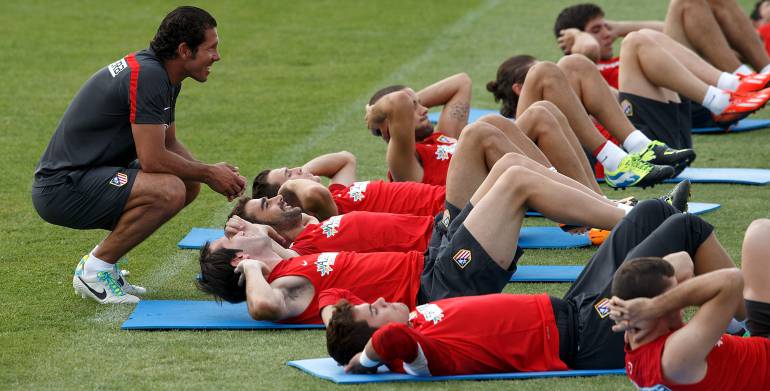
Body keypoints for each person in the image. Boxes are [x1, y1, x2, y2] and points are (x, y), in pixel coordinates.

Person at [323, 193, 753, 376]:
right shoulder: (421, 355)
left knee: (653, 213)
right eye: (374, 310)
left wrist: (357, 328)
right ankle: (745, 328)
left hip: (572, 307)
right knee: (688, 228)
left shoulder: (420, 321)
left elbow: (376, 319)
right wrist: (364, 360)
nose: (380, 300)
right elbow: (393, 340)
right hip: (587, 337)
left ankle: (736, 322)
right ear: (378, 340)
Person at [197, 151, 641, 324]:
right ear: (240, 262)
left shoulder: (295, 256)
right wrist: (255, 267)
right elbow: (264, 306)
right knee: (515, 184)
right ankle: (632, 220)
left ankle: (624, 215)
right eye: (233, 240)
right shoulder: (282, 285)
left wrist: (254, 237)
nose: (240, 230)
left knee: (510, 167)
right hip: (441, 282)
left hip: (437, 255)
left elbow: (334, 171)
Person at [31, 6, 246, 304]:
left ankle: (104, 264)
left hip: (89, 174)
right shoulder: (149, 76)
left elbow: (168, 142)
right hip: (62, 186)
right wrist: (210, 172)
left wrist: (206, 172)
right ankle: (94, 271)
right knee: (169, 189)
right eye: (212, 48)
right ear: (185, 50)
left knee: (186, 184)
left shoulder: (162, 74)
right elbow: (153, 159)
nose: (217, 56)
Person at [607, 219, 770, 390]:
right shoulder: (674, 357)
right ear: (653, 313)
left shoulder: (635, 335)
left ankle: (732, 322)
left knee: (759, 232)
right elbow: (732, 280)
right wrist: (655, 305)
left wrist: (654, 303)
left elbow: (683, 260)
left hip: (759, 341)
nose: (680, 304)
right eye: (673, 298)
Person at [554, 3, 770, 130]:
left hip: (693, 91)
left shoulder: (629, 53)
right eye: (597, 29)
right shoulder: (581, 65)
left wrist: (620, 27)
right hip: (668, 107)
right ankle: (735, 86)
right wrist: (577, 36)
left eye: (606, 27)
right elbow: (589, 49)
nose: (607, 34)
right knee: (671, 12)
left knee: (696, 3)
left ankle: (758, 74)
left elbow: (662, 34)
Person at [488, 57, 687, 187]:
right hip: (533, 171)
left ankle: (638, 146)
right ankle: (615, 162)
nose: (559, 79)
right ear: (519, 88)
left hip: (580, 161)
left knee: (574, 64)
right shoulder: (505, 127)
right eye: (531, 76)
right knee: (545, 75)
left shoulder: (557, 106)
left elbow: (620, 104)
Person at [251, 151, 447, 221]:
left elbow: (345, 159)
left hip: (445, 197)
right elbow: (314, 194)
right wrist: (296, 184)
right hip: (445, 210)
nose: (297, 170)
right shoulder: (327, 213)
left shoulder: (336, 195)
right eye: (289, 174)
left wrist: (303, 172)